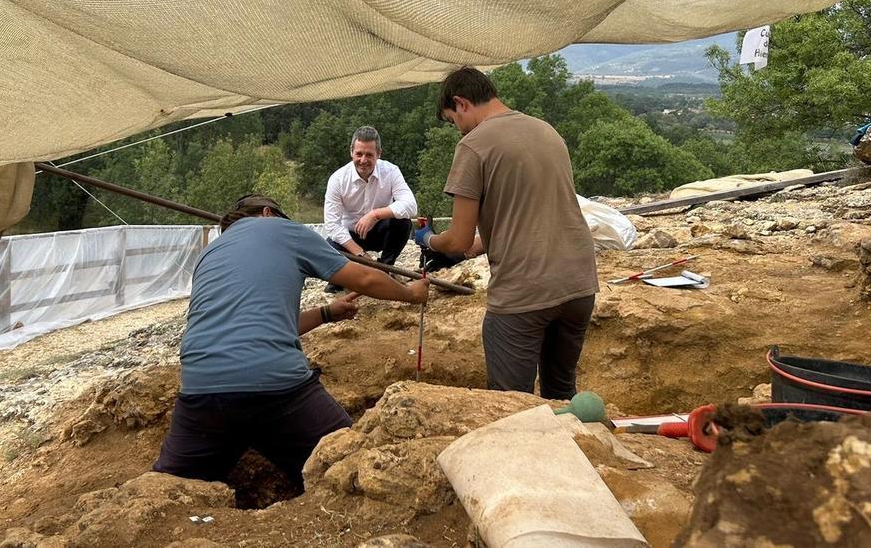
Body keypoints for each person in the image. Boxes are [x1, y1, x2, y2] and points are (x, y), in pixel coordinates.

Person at [154, 194, 429, 490]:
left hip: (201, 391)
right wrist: (412, 294)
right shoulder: (282, 229)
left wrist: (326, 313)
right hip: (277, 388)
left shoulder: (209, 254)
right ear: (268, 212)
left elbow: (261, 322)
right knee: (349, 466)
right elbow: (362, 277)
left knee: (169, 488)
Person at [413, 67, 598, 400]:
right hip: (579, 285)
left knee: (509, 405)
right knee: (560, 391)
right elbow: (526, 221)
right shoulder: (546, 131)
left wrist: (427, 238)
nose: (457, 130)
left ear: (461, 103)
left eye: (452, 120)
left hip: (524, 292)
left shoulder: (473, 146)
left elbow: (458, 242)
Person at [322, 126, 418, 291]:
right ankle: (343, 279)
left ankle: (386, 268)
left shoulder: (391, 171)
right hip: (350, 238)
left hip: (380, 231)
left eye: (369, 155)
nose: (363, 160)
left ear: (379, 154)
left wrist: (375, 214)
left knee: (403, 223)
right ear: (351, 152)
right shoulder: (337, 179)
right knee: (329, 246)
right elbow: (332, 225)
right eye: (359, 154)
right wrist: (361, 255)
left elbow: (411, 205)